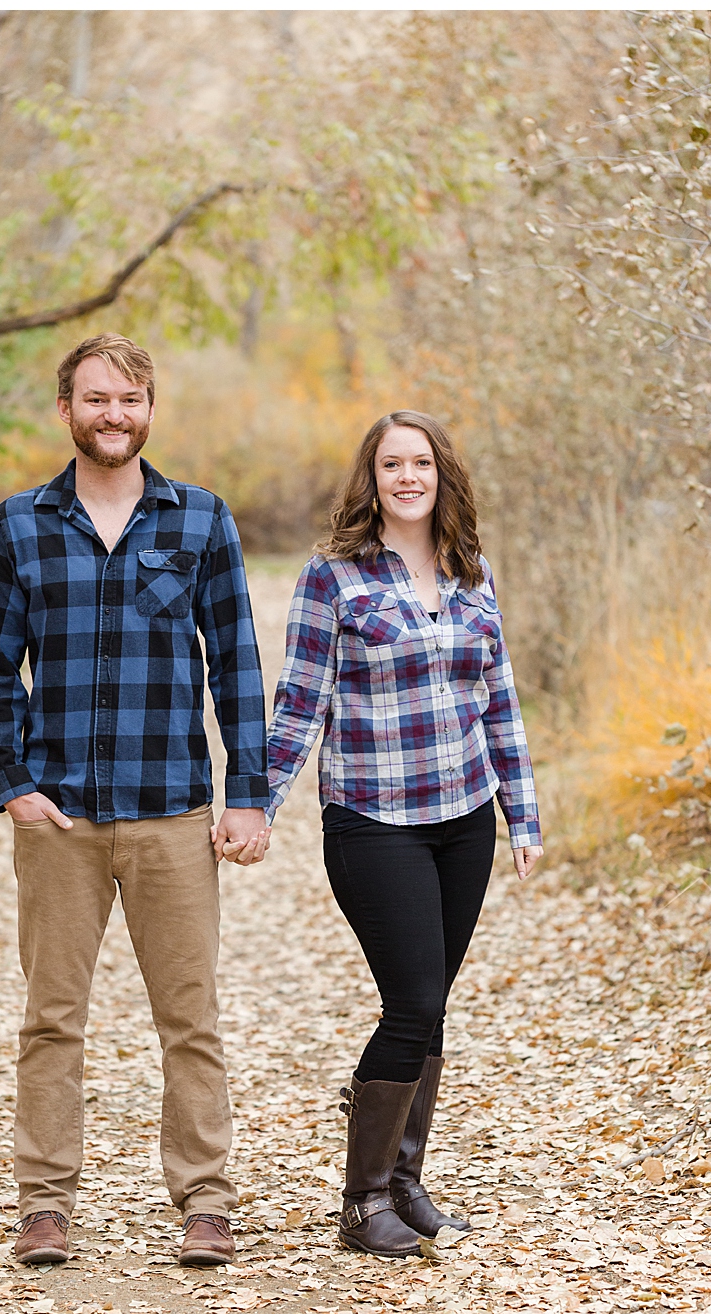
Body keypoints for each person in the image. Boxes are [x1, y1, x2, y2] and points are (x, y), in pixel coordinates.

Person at [0, 332, 273, 1270]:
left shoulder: (200, 519)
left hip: (172, 811)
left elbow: (237, 664)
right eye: (97, 398)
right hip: (59, 818)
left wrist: (249, 793)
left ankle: (206, 1201)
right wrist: (12, 782)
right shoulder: (17, 526)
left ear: (150, 409)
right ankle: (44, 1205)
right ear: (66, 408)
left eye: (130, 399)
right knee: (51, 1018)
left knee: (191, 1019)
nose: (115, 414)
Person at [264, 409, 542, 1258]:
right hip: (373, 817)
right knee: (413, 1000)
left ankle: (405, 1183)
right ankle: (362, 1200)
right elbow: (301, 700)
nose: (408, 477)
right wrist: (256, 803)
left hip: (464, 817)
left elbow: (499, 699)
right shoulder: (333, 577)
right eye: (392, 464)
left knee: (432, 1006)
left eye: (421, 462)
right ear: (373, 478)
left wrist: (521, 811)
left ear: (442, 474)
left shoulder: (472, 573)